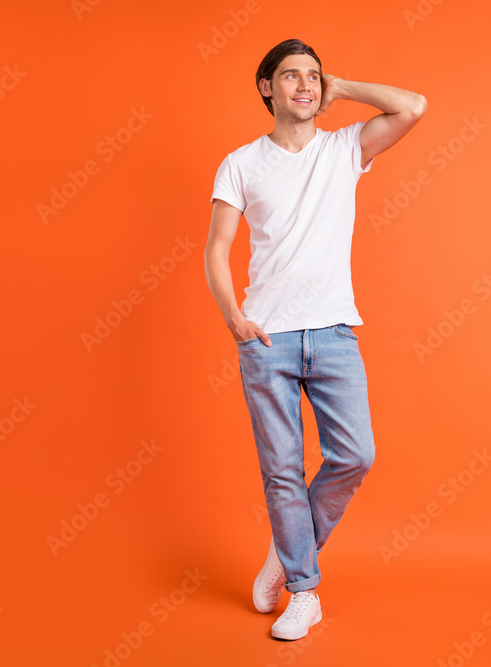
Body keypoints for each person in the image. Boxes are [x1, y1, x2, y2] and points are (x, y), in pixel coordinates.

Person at [204, 38, 426, 640]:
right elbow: (218, 249)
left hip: (333, 331)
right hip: (266, 338)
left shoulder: (343, 149)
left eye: (312, 76)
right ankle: (304, 591)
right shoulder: (241, 163)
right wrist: (233, 317)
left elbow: (414, 107)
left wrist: (343, 85)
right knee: (281, 470)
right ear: (265, 87)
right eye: (290, 75)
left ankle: (287, 549)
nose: (304, 85)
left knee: (355, 455)